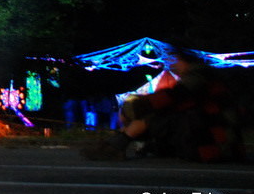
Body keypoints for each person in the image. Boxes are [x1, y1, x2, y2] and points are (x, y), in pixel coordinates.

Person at [81, 48, 246, 162]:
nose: (171, 65)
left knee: (153, 116)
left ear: (182, 60)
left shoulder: (198, 77)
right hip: (217, 141)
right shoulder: (204, 75)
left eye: (173, 60)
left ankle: (115, 147)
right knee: (159, 114)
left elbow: (172, 97)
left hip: (215, 145)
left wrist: (132, 108)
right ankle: (121, 145)